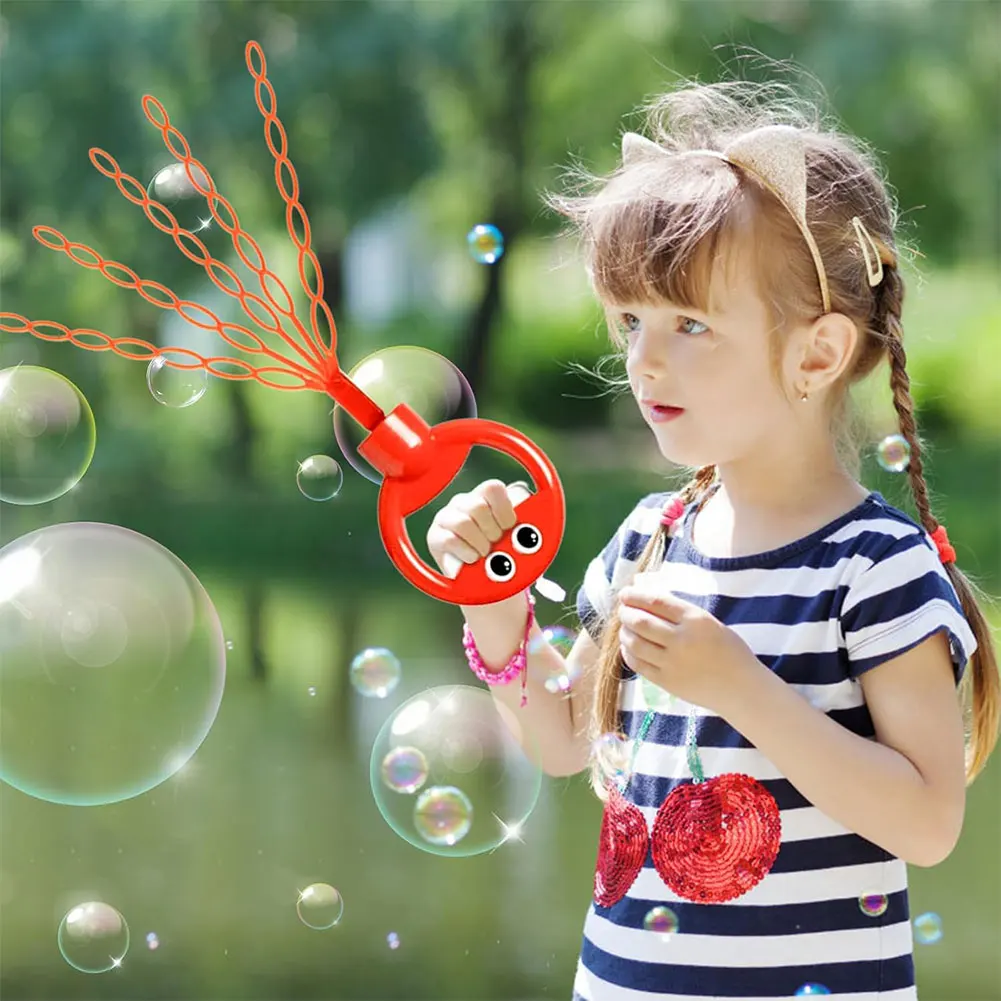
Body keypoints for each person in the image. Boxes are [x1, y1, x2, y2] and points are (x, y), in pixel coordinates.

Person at [426, 75, 999, 1001]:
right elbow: (563, 738)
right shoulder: (651, 540)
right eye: (631, 321)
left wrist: (740, 688)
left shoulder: (873, 566)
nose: (643, 359)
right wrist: (493, 599)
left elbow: (927, 822)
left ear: (816, 353)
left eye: (689, 324)